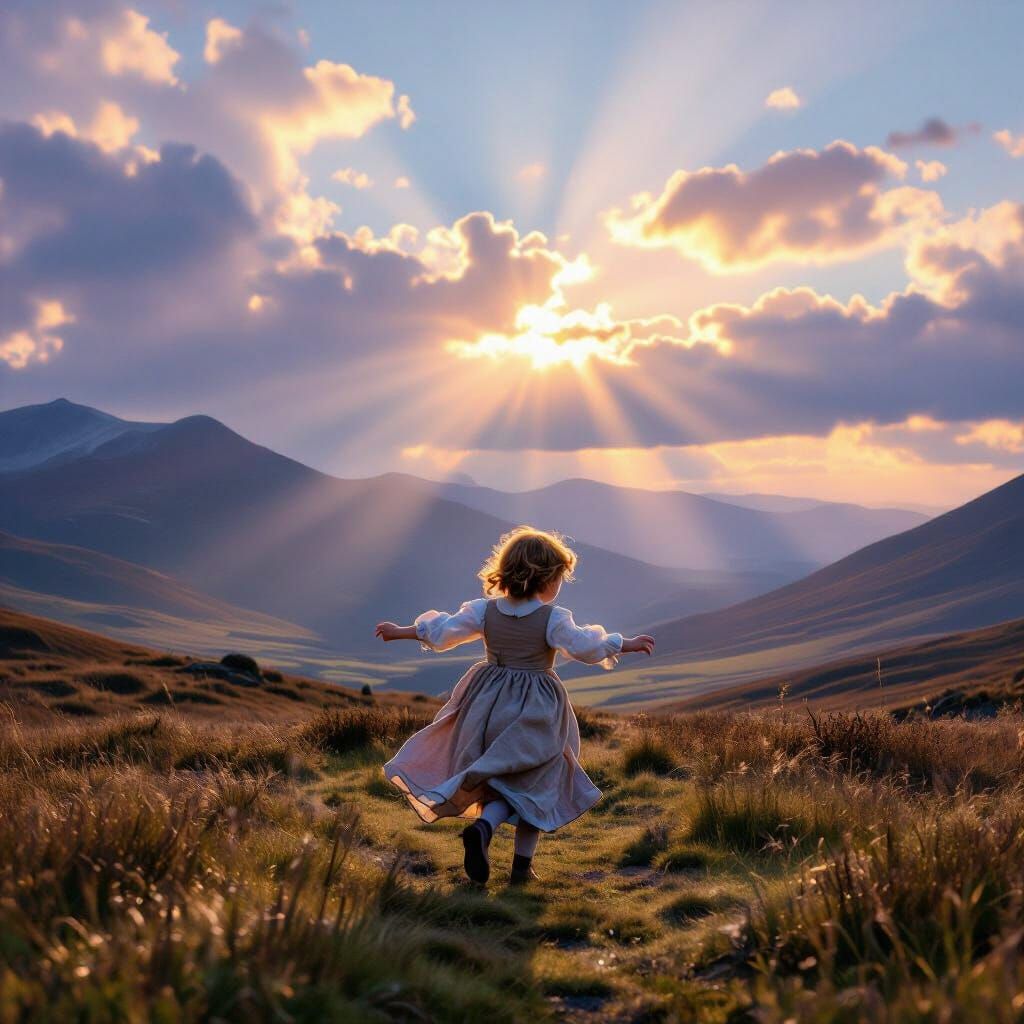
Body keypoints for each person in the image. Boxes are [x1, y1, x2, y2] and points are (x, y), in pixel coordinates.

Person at [375, 525, 655, 885]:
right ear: (546, 578)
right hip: (535, 708)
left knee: (500, 782)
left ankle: (485, 828)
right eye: (559, 578)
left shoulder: (484, 611)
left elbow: (445, 631)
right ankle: (520, 868)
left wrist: (402, 631)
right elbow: (584, 646)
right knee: (536, 781)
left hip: (486, 703)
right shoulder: (553, 617)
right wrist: (623, 643)